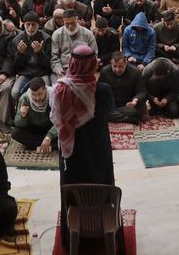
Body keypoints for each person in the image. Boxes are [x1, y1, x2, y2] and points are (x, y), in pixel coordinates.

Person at [50, 45, 115, 247]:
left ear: (71, 63)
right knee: (101, 185)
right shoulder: (102, 90)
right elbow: (110, 112)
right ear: (93, 65)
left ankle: (72, 238)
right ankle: (103, 234)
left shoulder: (60, 89)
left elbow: (55, 119)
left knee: (72, 190)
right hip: (99, 151)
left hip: (72, 154)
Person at [50, 10, 97, 83]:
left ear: (77, 19)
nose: (70, 26)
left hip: (82, 72)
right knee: (58, 89)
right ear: (63, 22)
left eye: (73, 23)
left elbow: (94, 56)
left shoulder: (88, 34)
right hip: (63, 70)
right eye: (67, 24)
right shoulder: (57, 34)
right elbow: (54, 57)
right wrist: (59, 72)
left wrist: (84, 71)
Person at [11, 77, 58, 152]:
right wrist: (23, 116)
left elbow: (61, 121)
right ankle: (51, 145)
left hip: (50, 127)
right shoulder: (25, 98)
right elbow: (17, 123)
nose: (37, 98)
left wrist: (49, 136)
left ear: (45, 90)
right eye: (34, 94)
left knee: (69, 133)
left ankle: (35, 144)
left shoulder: (54, 96)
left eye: (40, 94)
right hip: (34, 129)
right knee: (15, 133)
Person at [98, 51, 146, 124]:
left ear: (125, 63)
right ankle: (127, 119)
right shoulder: (105, 72)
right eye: (115, 66)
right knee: (97, 110)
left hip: (128, 104)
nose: (117, 70)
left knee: (141, 109)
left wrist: (135, 100)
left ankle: (114, 115)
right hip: (112, 104)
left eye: (120, 66)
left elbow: (142, 91)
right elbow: (100, 91)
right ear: (111, 62)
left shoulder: (135, 72)